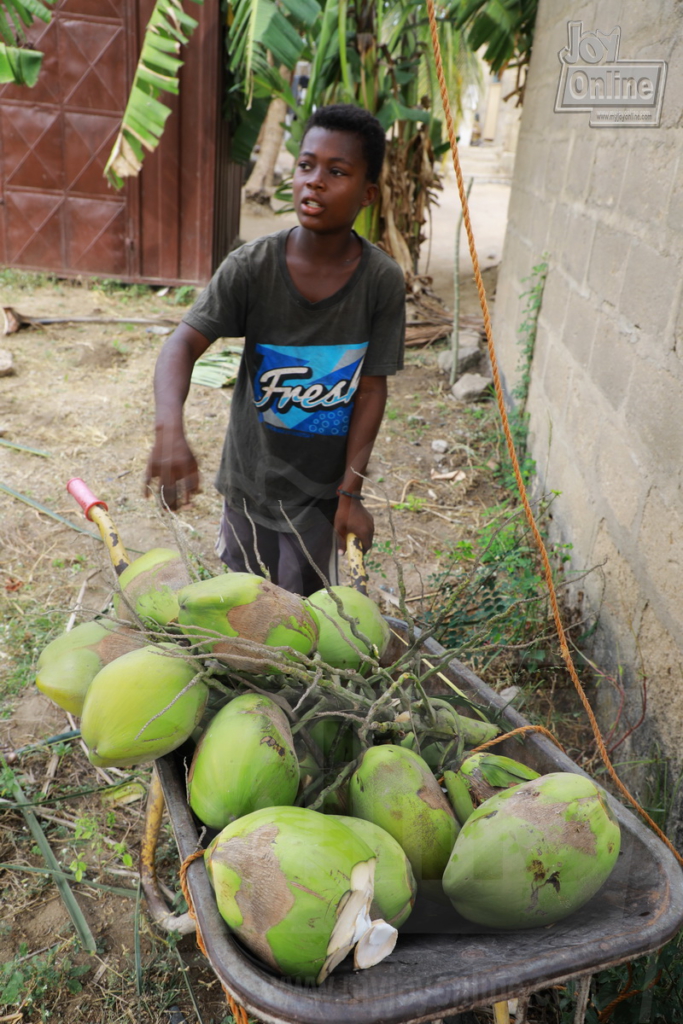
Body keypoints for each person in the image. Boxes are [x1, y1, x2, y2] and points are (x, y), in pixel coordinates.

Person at [144, 104, 406, 596]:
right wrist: (169, 430)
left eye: (337, 171)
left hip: (322, 497)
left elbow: (371, 390)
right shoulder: (252, 267)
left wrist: (351, 492)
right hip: (250, 485)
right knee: (245, 606)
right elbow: (182, 344)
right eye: (306, 165)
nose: (315, 182)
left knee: (304, 615)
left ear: (367, 194)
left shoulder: (380, 281)